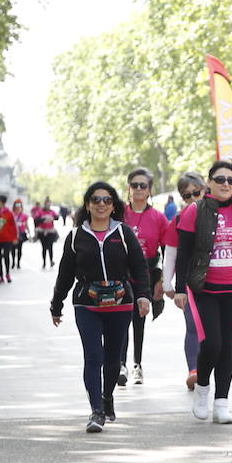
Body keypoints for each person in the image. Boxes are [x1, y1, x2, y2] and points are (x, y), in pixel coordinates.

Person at [172, 160, 232, 424]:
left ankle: (222, 403)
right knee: (212, 343)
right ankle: (203, 389)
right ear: (209, 183)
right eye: (220, 179)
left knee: (228, 347)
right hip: (204, 289)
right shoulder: (195, 211)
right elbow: (183, 253)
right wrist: (179, 289)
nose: (226, 184)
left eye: (230, 180)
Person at [50, 182, 152, 432]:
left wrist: (143, 296)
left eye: (107, 200)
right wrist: (56, 305)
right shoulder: (75, 236)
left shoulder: (123, 233)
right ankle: (96, 411)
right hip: (87, 305)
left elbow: (140, 267)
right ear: (87, 204)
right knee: (93, 357)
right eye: (96, 200)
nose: (101, 204)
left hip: (120, 303)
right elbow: (65, 274)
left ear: (114, 205)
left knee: (113, 359)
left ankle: (107, 396)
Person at [120, 168, 172, 386]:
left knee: (138, 319)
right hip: (120, 274)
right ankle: (120, 364)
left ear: (150, 190)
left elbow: (168, 250)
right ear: (128, 189)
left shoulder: (158, 218)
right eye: (135, 185)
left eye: (143, 185)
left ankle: (137, 364)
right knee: (120, 320)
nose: (139, 189)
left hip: (146, 274)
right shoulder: (118, 214)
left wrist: (163, 280)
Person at [162, 172, 205, 395]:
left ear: (205, 190)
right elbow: (171, 253)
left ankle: (207, 370)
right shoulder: (178, 220)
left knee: (213, 333)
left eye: (196, 193)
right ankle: (194, 371)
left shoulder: (220, 215)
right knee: (193, 326)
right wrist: (167, 283)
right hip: (188, 283)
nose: (192, 199)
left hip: (217, 283)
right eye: (187, 196)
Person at [33, 198, 60, 268]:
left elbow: (57, 217)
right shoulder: (40, 211)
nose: (48, 205)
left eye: (49, 204)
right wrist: (44, 219)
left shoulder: (52, 211)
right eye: (47, 203)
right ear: (44, 204)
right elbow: (36, 219)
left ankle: (51, 261)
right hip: (42, 231)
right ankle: (44, 262)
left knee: (50, 246)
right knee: (44, 247)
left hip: (50, 231)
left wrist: (53, 218)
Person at [13, 198, 32, 268]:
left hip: (21, 234)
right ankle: (13, 262)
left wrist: (29, 233)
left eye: (19, 207)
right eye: (16, 207)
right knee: (13, 249)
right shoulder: (12, 215)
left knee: (19, 249)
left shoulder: (24, 216)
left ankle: (18, 263)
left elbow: (26, 225)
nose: (18, 209)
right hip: (13, 234)